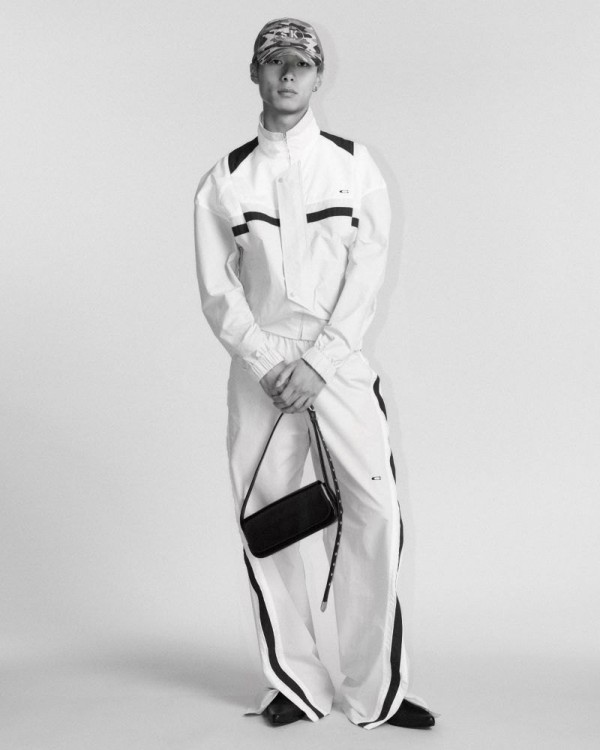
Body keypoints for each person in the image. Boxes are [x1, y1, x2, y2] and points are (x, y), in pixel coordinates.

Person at [193, 17, 435, 730]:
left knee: (374, 514)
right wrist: (270, 364)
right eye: (275, 61)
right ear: (255, 73)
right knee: (266, 520)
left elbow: (368, 274)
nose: (288, 73)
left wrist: (321, 362)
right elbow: (218, 292)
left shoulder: (355, 167)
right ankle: (295, 683)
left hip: (339, 363)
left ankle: (375, 690)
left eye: (301, 62)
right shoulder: (225, 180)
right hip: (262, 370)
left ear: (319, 75)